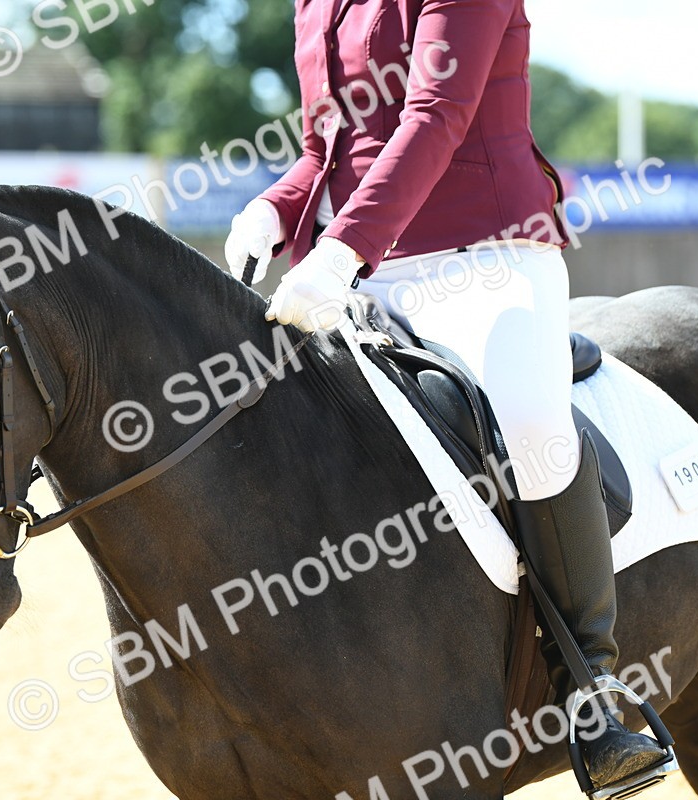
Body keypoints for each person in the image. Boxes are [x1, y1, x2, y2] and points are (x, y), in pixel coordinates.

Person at [224, 0, 670, 791]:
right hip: (356, 268)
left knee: (529, 430)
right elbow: (325, 150)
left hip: (487, 256)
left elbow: (438, 114)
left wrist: (338, 252)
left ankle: (593, 692)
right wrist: (275, 206)